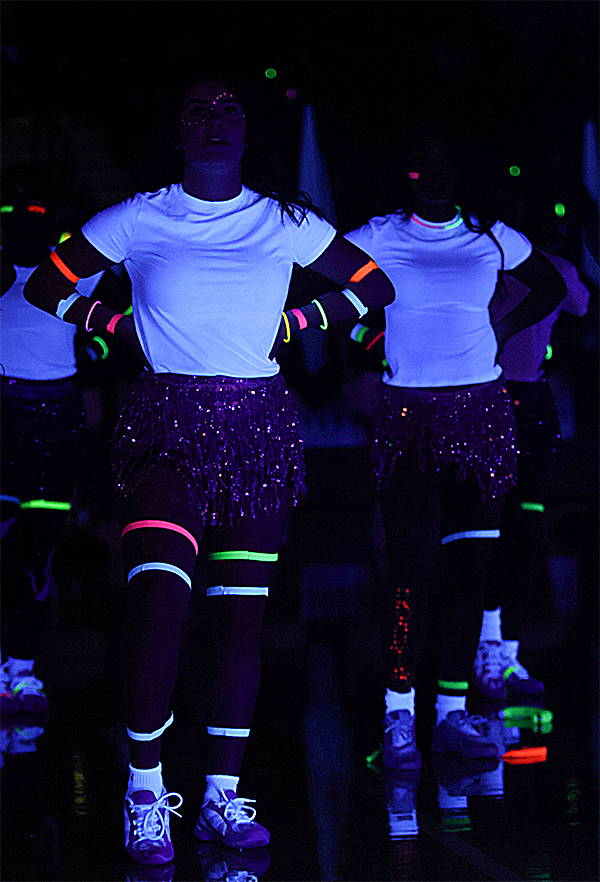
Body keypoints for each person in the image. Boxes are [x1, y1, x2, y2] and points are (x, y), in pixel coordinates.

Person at [24, 78, 395, 865]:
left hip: (257, 430)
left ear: (246, 129)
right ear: (179, 130)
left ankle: (222, 801)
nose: (213, 121)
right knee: (158, 603)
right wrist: (115, 323)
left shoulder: (283, 221)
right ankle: (145, 792)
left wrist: (298, 323)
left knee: (240, 621)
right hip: (163, 424)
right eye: (196, 109)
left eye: (228, 110)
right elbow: (47, 283)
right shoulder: (138, 215)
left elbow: (372, 286)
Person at [344, 116, 567, 771]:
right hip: (408, 416)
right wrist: (368, 337)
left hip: (483, 415)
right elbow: (322, 290)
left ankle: (449, 714)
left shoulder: (492, 236)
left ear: (460, 172)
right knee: (411, 572)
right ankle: (397, 717)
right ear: (405, 171)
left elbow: (549, 287)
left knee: (471, 571)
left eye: (445, 162)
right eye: (421, 161)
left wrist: (501, 324)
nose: (433, 173)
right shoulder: (377, 235)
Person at [0, 169, 105, 736]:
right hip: (5, 420)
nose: (26, 226)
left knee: (37, 554)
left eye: (37, 216)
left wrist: (96, 347)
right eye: (16, 216)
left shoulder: (71, 277)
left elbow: (103, 334)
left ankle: (21, 669)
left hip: (58, 419)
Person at [474, 250, 590, 701]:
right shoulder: (480, 260)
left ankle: (507, 650)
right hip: (485, 399)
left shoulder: (554, 267)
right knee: (488, 531)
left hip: (530, 403)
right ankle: (485, 643)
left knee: (524, 531)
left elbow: (583, 310)